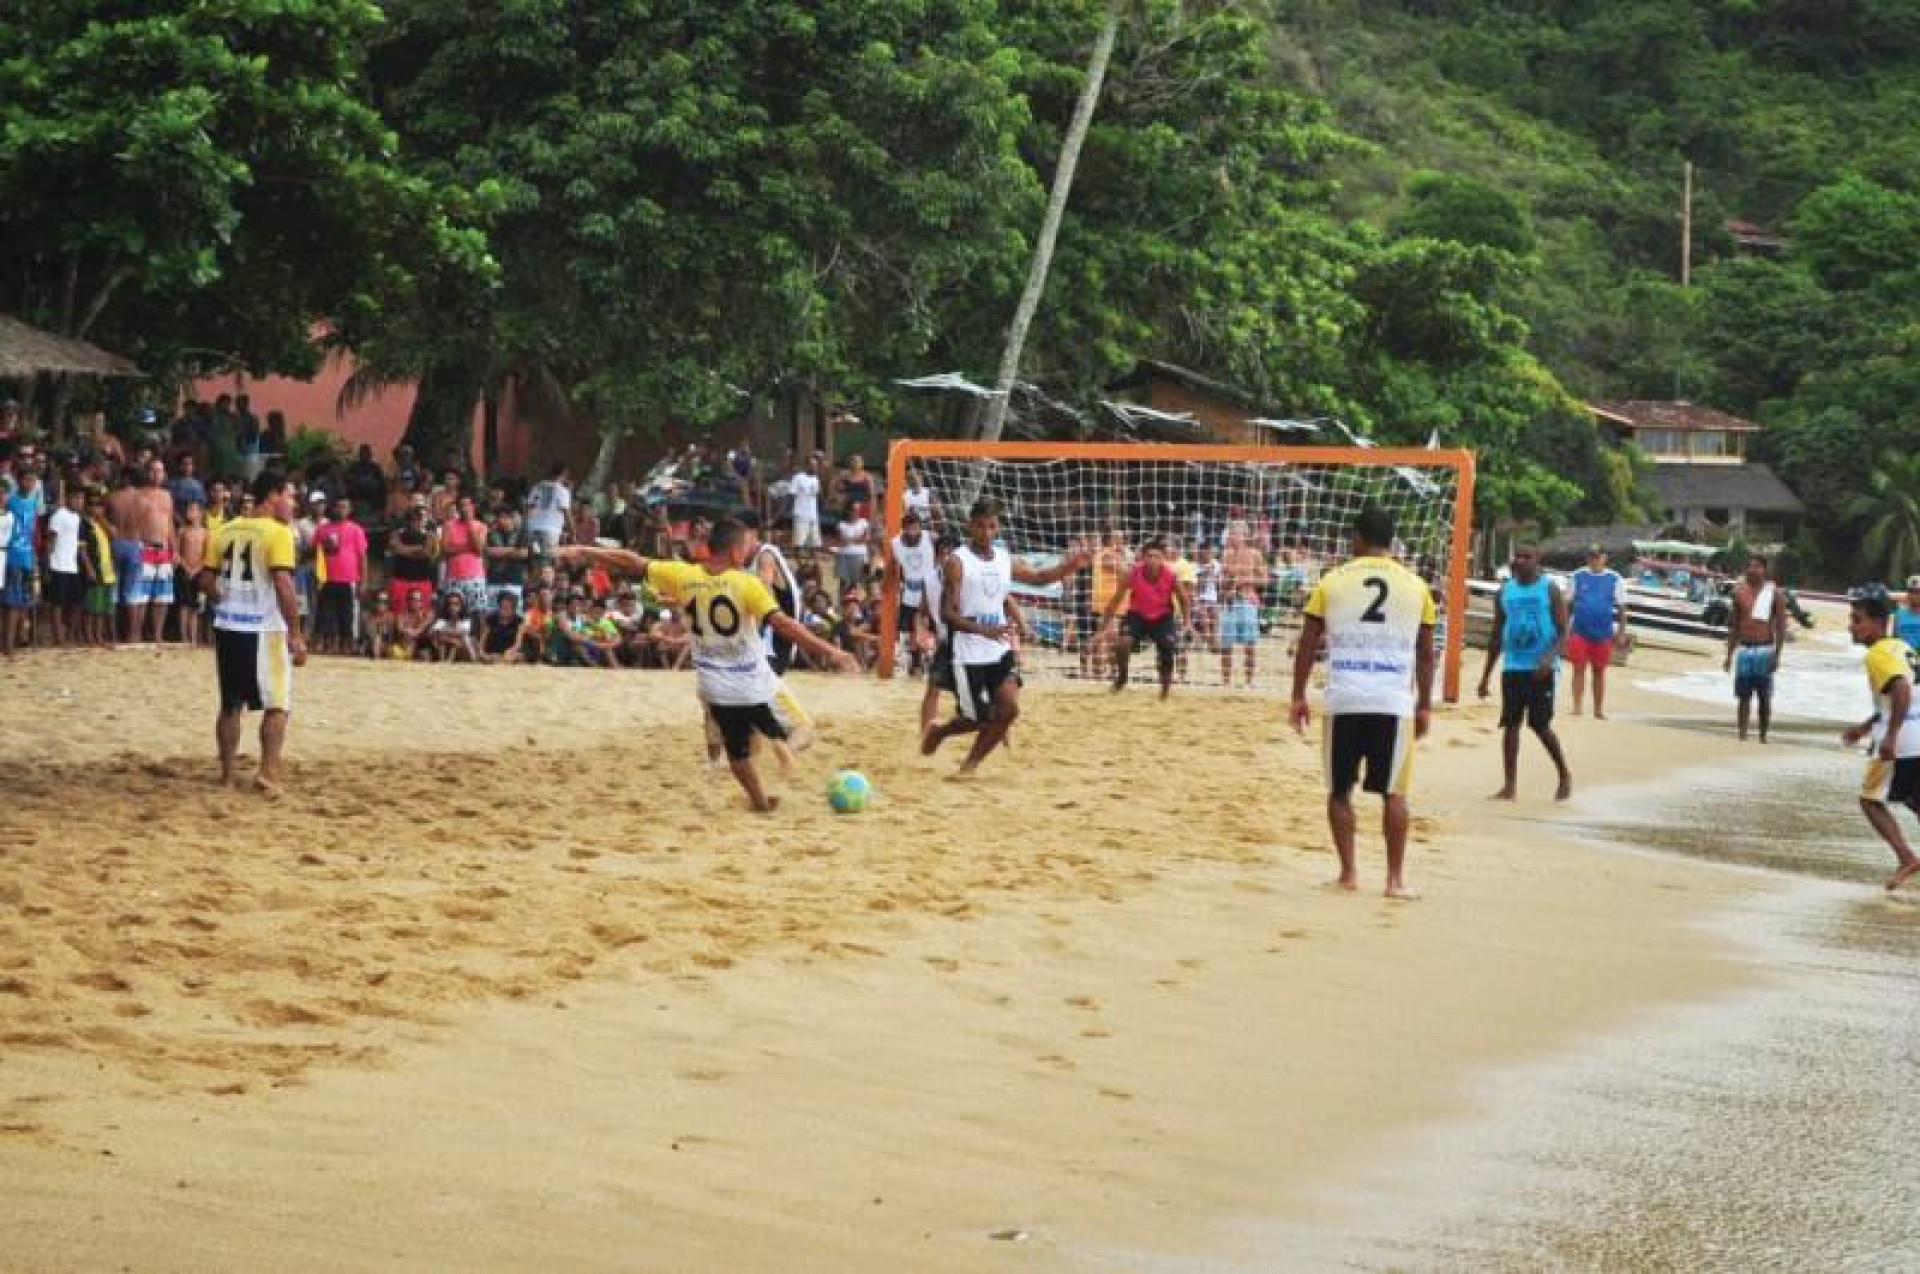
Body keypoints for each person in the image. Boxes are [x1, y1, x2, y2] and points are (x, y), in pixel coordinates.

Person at [559, 520, 859, 812]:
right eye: (746, 548)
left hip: (714, 688)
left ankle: (759, 801)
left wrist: (585, 551)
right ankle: (781, 744)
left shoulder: (683, 575)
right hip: (754, 682)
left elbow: (631, 561)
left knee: (738, 756)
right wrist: (832, 651)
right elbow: (783, 624)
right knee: (803, 728)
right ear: (735, 553)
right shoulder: (746, 583)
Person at [1290, 506, 1435, 899]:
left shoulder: (1332, 581)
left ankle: (1349, 874)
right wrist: (1425, 705)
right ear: (1392, 540)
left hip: (1345, 698)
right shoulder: (1417, 586)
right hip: (1393, 701)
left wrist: (1298, 696)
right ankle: (1395, 881)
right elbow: (1425, 652)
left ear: (1356, 537)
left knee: (1340, 790)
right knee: (1395, 793)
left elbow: (1307, 642)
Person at [922, 498, 1091, 774]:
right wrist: (983, 630)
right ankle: (939, 733)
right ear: (970, 527)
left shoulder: (1003, 558)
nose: (986, 533)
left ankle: (970, 764)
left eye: (991, 526)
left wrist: (1070, 566)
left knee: (1009, 711)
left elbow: (1037, 577)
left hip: (998, 649)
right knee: (977, 718)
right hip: (966, 651)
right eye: (980, 526)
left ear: (997, 528)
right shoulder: (957, 561)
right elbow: (947, 613)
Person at [199, 471, 307, 794]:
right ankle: (268, 772)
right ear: (272, 495)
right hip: (264, 629)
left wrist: (227, 598)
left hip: (229, 625)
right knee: (277, 704)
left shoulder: (225, 530)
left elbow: (205, 580)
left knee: (230, 704)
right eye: (288, 496)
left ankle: (228, 775)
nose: (292, 503)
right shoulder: (278, 533)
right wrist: (296, 632)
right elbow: (284, 584)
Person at [1477, 545, 1573, 801]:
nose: (1519, 561)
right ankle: (1509, 785)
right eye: (1516, 556)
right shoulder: (1504, 592)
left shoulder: (1549, 590)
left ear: (1538, 560)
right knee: (1510, 725)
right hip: (1513, 667)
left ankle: (1564, 773)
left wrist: (1549, 659)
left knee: (1540, 725)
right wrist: (1486, 675)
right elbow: (1497, 634)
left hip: (1541, 669)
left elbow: (1564, 631)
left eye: (1526, 557)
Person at [1841, 589, 1920, 893]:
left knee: (1870, 800)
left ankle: (1906, 857)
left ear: (1878, 622)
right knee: (1915, 800)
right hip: (1917, 733)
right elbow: (1901, 696)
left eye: (1857, 620)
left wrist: (1891, 736)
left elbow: (1900, 690)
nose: (1852, 626)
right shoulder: (1902, 647)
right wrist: (1863, 728)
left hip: (1902, 740)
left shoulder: (1877, 654)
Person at [1099, 537, 1191, 700]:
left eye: (1157, 556)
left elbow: (1184, 599)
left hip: (1163, 617)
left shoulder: (1171, 575)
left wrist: (1187, 623)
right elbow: (1115, 600)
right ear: (1142, 557)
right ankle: (1122, 676)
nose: (1153, 560)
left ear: (1163, 558)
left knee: (1167, 648)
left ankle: (1165, 689)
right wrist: (1103, 628)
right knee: (1122, 643)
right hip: (1137, 615)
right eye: (1149, 556)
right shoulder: (1132, 573)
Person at [1723, 553, 1787, 744]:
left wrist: (1777, 655)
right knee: (1743, 696)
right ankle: (1742, 734)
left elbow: (1781, 627)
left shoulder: (1774, 594)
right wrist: (1729, 655)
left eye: (1757, 566)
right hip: (1745, 650)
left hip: (1765, 649)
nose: (1753, 570)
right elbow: (1734, 626)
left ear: (1764, 570)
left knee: (1764, 697)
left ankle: (1763, 735)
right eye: (1750, 566)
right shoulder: (1739, 593)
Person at [1567, 546, 1626, 718]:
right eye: (1591, 557)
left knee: (1599, 671)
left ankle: (1598, 710)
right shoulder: (1577, 576)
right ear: (1587, 558)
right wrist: (1563, 629)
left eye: (1598, 557)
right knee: (1578, 669)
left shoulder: (1615, 578)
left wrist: (1621, 633)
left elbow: (1622, 608)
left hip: (1603, 633)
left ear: (1604, 558)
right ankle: (1577, 706)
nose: (1594, 560)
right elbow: (1567, 604)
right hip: (1579, 630)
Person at [313, 498, 368, 655]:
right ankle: (324, 644)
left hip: (349, 579)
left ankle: (346, 646)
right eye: (338, 506)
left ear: (350, 510)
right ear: (333, 508)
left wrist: (363, 581)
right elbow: (315, 552)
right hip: (326, 578)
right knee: (324, 613)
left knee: (347, 614)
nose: (341, 509)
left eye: (345, 507)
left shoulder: (356, 529)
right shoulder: (323, 529)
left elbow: (363, 556)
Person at [884, 509, 936, 675]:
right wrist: (886, 588)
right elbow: (891, 567)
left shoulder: (930, 537)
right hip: (909, 594)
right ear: (904, 529)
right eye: (909, 528)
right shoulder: (895, 543)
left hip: (930, 594)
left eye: (915, 528)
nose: (912, 532)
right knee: (905, 634)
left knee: (929, 631)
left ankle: (928, 667)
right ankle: (903, 667)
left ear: (920, 528)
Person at [1219, 525, 1267, 687]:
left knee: (1250, 644)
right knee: (1226, 644)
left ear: (1244, 536)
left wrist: (1246, 581)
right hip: (1230, 602)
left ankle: (1249, 681)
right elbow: (1222, 583)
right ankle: (1226, 682)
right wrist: (1228, 582)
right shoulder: (1226, 555)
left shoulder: (1255, 554)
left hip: (1248, 601)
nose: (1230, 537)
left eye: (1233, 533)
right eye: (1230, 534)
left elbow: (1265, 580)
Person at [45, 483, 86, 647]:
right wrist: (47, 565)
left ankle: (68, 635)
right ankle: (58, 638)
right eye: (76, 498)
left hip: (72, 565)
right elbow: (50, 541)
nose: (80, 501)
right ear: (68, 498)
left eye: (82, 498)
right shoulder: (58, 515)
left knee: (76, 602)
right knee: (57, 603)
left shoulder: (77, 517)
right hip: (58, 564)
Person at [387, 501, 438, 614]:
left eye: (423, 517)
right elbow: (397, 549)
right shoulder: (397, 534)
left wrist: (405, 549)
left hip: (422, 581)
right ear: (410, 520)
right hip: (401, 580)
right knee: (399, 614)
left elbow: (426, 553)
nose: (420, 521)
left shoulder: (430, 536)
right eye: (417, 518)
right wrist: (417, 549)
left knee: (422, 614)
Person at [174, 499, 211, 649]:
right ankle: (184, 637)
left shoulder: (206, 533)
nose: (191, 513)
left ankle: (194, 638)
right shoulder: (182, 531)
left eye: (194, 510)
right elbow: (177, 552)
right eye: (189, 510)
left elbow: (207, 556)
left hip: (199, 572)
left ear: (201, 513)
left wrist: (196, 569)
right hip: (184, 570)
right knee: (184, 605)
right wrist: (185, 567)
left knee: (195, 607)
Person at [524, 462, 572, 555]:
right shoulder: (562, 491)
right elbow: (566, 513)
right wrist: (573, 532)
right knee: (546, 562)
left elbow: (528, 508)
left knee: (534, 558)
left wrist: (526, 527)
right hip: (550, 532)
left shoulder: (537, 487)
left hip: (533, 531)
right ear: (564, 474)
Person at [788, 455, 823, 557]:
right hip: (801, 515)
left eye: (816, 465)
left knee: (815, 544)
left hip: (813, 516)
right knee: (798, 544)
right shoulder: (798, 477)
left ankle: (815, 565)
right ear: (806, 465)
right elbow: (790, 496)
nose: (814, 467)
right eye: (812, 465)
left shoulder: (816, 479)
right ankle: (800, 565)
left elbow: (817, 498)